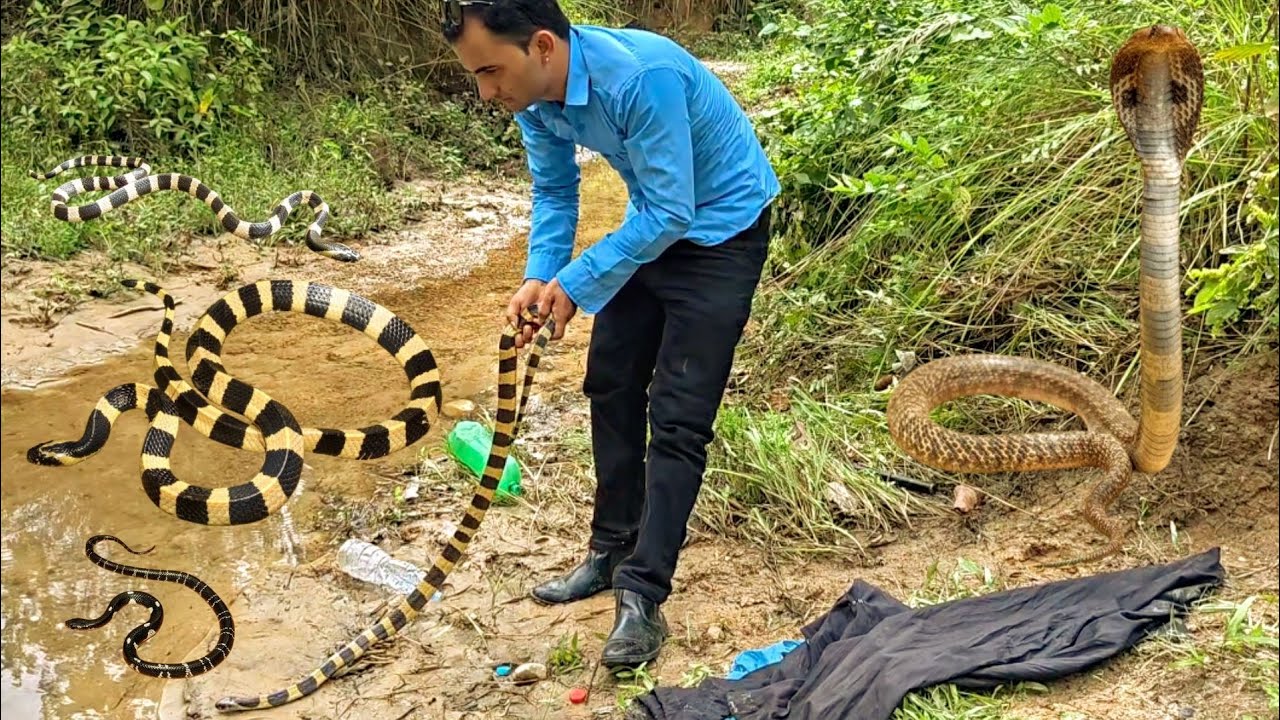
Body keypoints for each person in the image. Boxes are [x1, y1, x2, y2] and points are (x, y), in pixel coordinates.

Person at [443, 0, 779, 669]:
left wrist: (577, 283)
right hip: (656, 226)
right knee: (610, 381)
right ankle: (611, 548)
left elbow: (674, 208)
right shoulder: (535, 100)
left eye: (490, 71)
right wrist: (543, 279)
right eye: (475, 76)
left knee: (679, 419)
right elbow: (558, 193)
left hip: (720, 234)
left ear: (541, 46)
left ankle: (643, 596)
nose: (485, 92)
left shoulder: (637, 77)